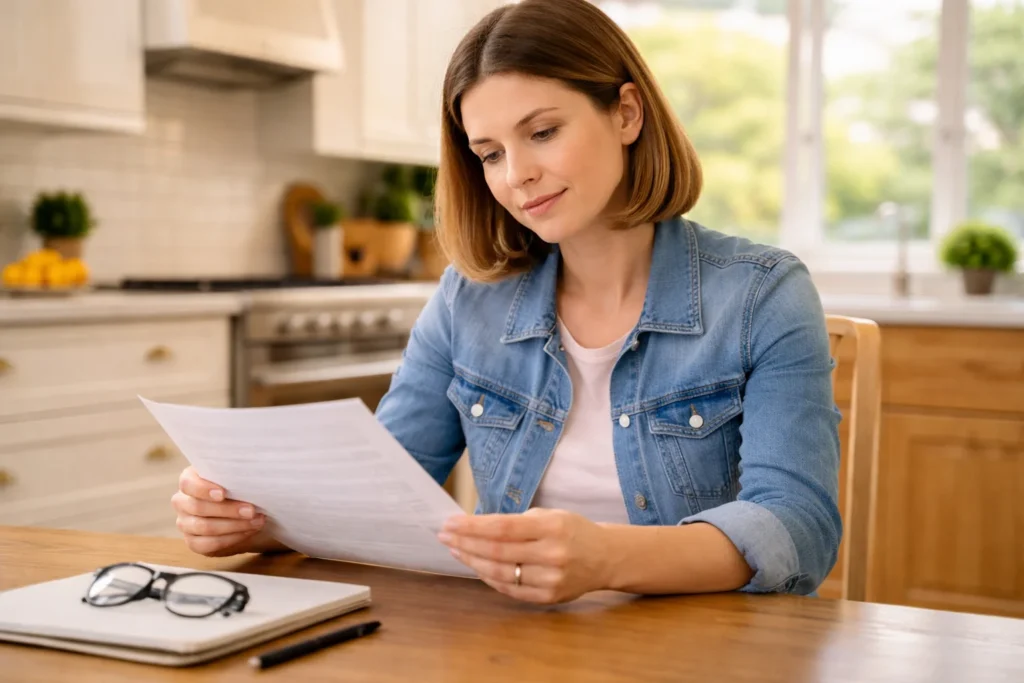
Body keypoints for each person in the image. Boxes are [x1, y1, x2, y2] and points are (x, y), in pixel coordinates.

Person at [171, 0, 842, 605]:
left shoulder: (761, 294)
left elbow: (798, 528)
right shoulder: (470, 300)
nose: (515, 174)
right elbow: (376, 496)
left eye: (543, 132)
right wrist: (256, 521)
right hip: (515, 647)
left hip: (709, 651)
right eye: (489, 153)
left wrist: (606, 557)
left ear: (627, 113)